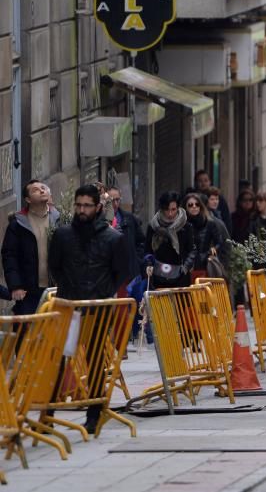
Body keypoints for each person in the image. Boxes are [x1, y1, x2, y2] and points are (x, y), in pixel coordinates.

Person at [48, 184, 130, 433]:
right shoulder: (63, 235)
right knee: (60, 359)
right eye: (78, 205)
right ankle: (46, 414)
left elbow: (121, 272)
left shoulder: (113, 238)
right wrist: (69, 289)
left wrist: (102, 292)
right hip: (69, 308)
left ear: (98, 207)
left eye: (87, 205)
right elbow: (55, 267)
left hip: (97, 308)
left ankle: (94, 414)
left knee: (95, 361)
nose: (82, 210)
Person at [2, 180, 60, 314]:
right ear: (28, 199)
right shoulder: (18, 223)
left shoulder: (58, 219)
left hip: (54, 290)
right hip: (28, 291)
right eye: (35, 190)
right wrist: (15, 286)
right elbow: (9, 256)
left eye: (43, 187)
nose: (41, 190)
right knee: (26, 331)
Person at [145, 191, 198, 288]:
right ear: (162, 209)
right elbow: (147, 249)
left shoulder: (186, 226)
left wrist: (185, 268)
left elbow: (192, 250)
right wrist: (149, 264)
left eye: (173, 209)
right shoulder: (153, 225)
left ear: (178, 208)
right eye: (167, 209)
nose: (170, 213)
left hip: (180, 277)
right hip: (158, 276)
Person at [183, 193, 229, 281]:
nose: (194, 207)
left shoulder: (209, 223)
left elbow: (219, 242)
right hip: (185, 265)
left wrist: (210, 252)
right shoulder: (182, 225)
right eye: (190, 205)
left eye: (197, 204)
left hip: (203, 263)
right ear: (186, 207)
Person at [106, 186, 144, 281]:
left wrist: (136, 259)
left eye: (117, 200)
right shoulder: (102, 219)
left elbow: (141, 241)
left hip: (130, 272)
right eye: (112, 200)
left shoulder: (129, 218)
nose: (115, 204)